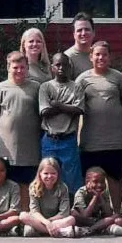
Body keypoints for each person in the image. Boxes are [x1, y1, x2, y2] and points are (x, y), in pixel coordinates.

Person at [76, 41, 122, 210]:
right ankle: (89, 215)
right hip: (91, 142)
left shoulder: (119, 78)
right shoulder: (82, 79)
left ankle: (116, 214)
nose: (101, 57)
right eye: (97, 54)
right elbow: (76, 108)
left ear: (110, 57)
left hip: (116, 142)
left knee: (115, 178)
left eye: (104, 55)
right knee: (90, 181)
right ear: (91, 56)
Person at [0, 51, 41, 211]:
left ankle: (26, 216)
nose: (19, 71)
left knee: (27, 183)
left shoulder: (35, 88)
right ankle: (8, 217)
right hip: (6, 148)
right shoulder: (1, 87)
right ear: (8, 68)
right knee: (6, 183)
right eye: (15, 67)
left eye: (22, 67)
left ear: (27, 68)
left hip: (29, 147)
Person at [39, 52, 85, 194]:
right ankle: (51, 208)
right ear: (52, 67)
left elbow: (78, 110)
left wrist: (57, 104)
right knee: (48, 176)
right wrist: (67, 107)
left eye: (65, 65)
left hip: (68, 139)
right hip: (50, 139)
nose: (61, 68)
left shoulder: (76, 87)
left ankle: (72, 209)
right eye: (58, 65)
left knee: (71, 178)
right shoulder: (45, 87)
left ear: (69, 67)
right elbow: (45, 111)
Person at [21, 157, 78, 237]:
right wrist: (46, 223)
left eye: (53, 173)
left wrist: (50, 222)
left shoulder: (63, 188)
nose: (50, 176)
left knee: (71, 219)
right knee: (23, 216)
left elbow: (64, 213)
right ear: (40, 174)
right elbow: (34, 211)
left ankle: (39, 230)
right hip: (40, 219)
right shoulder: (34, 187)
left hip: (56, 220)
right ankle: (60, 232)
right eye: (46, 173)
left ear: (58, 174)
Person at [73, 166, 119, 235]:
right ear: (87, 182)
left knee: (116, 216)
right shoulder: (80, 193)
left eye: (102, 182)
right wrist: (95, 197)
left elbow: (108, 214)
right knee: (73, 214)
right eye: (95, 181)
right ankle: (95, 229)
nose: (99, 185)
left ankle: (90, 230)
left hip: (96, 220)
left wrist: (100, 197)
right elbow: (85, 215)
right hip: (82, 219)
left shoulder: (104, 193)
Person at [64, 12, 96, 76]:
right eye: (79, 30)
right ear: (74, 35)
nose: (83, 33)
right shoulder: (67, 57)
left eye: (87, 29)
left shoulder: (98, 55)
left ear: (93, 33)